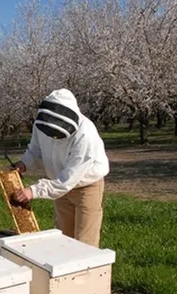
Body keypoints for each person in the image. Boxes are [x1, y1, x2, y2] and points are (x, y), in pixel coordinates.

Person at [12, 88, 110, 248]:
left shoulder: (85, 134)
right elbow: (35, 149)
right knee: (64, 241)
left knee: (86, 244)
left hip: (86, 187)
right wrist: (24, 163)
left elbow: (69, 179)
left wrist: (33, 191)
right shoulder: (41, 125)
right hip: (58, 184)